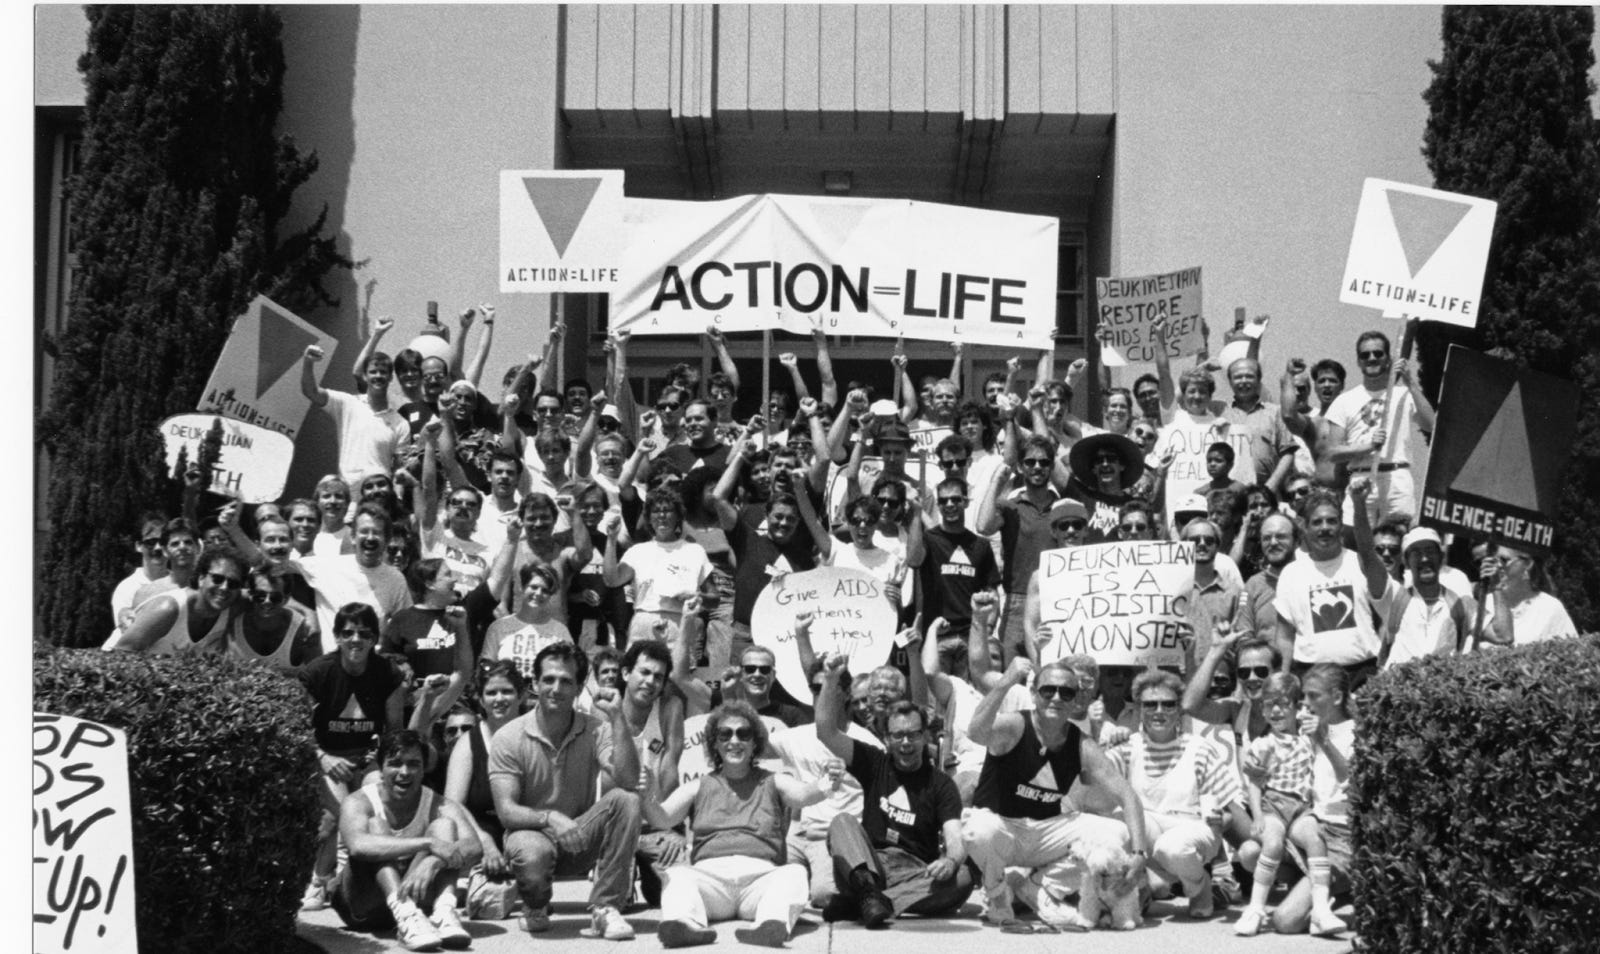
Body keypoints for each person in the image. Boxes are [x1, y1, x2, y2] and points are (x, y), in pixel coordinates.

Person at [961, 658, 1150, 929]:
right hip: (1003, 829)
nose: (1056, 698)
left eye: (1066, 692)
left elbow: (1126, 795)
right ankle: (997, 894)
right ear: (1034, 694)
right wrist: (1006, 681)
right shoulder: (1015, 725)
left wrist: (1140, 855)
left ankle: (1039, 888)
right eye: (1048, 690)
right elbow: (976, 733)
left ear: (1076, 701)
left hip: (1046, 833)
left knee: (1114, 833)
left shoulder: (1082, 745)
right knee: (977, 828)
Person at [639, 701, 828, 949]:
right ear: (715, 743)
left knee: (794, 874)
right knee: (677, 876)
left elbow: (804, 795)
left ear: (755, 743)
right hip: (711, 880)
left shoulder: (774, 781)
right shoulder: (699, 786)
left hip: (761, 880)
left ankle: (770, 925)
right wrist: (647, 797)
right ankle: (685, 926)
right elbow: (662, 818)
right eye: (725, 734)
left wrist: (828, 782)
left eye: (744, 734)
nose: (734, 740)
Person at [488, 641, 643, 940]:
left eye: (565, 681)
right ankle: (536, 905)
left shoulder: (596, 728)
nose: (556, 688)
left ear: (579, 686)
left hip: (578, 835)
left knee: (627, 800)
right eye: (548, 679)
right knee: (532, 853)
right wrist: (550, 819)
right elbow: (506, 812)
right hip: (531, 836)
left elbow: (627, 779)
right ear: (534, 683)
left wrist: (617, 717)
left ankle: (605, 908)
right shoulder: (508, 737)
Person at [814, 656, 973, 926]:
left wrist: (950, 860)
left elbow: (954, 836)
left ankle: (867, 903)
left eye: (913, 734)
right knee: (842, 822)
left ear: (925, 736)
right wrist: (830, 681)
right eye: (898, 735)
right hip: (867, 863)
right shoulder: (874, 762)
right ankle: (869, 892)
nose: (906, 742)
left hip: (915, 872)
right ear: (887, 739)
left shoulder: (941, 784)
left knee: (965, 876)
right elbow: (826, 731)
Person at [300, 603, 432, 912]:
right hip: (327, 755)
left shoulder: (388, 672)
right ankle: (320, 880)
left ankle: (371, 874)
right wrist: (322, 757)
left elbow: (394, 729)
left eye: (364, 633)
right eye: (347, 633)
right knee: (337, 812)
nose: (355, 640)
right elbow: (296, 727)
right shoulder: (318, 672)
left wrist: (381, 757)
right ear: (337, 637)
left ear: (374, 638)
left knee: (380, 801)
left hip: (367, 756)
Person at [1101, 669, 1248, 920]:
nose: (1159, 711)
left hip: (1191, 833)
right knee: (1113, 822)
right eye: (1150, 704)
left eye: (1168, 704)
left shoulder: (1199, 749)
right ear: (1138, 708)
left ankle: (1199, 887)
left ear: (1179, 709)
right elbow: (1091, 786)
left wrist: (1218, 821)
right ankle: (1143, 885)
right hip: (1148, 834)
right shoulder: (1127, 747)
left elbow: (1227, 814)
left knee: (1173, 847)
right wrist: (1101, 742)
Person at [332, 728, 481, 951]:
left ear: (423, 770)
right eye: (395, 763)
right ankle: (403, 911)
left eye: (413, 764)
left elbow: (474, 847)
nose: (405, 772)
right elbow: (358, 846)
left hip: (420, 905)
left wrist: (435, 861)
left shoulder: (439, 803)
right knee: (376, 825)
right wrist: (428, 844)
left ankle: (444, 913)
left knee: (444, 826)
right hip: (363, 904)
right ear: (381, 769)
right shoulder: (359, 801)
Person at [1233, 673, 1347, 937]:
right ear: (1261, 710)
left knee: (1316, 840)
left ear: (1298, 708)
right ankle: (1255, 908)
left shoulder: (1310, 739)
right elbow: (1255, 783)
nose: (1275, 710)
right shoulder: (1264, 744)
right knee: (1271, 844)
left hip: (1301, 808)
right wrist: (1258, 815)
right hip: (1274, 805)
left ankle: (1320, 909)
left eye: (1283, 704)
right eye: (1269, 704)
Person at [1273, 481, 1394, 687]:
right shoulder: (1291, 574)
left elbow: (1367, 547)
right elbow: (1284, 638)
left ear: (1340, 525)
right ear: (1304, 526)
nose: (1325, 528)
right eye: (1317, 522)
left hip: (1363, 674)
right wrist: (1284, 682)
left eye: (1331, 521)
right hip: (1311, 675)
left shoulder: (1360, 563)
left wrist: (1359, 504)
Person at [1267, 664, 1356, 936]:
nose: (1306, 703)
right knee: (1251, 853)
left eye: (1314, 696)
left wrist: (1324, 741)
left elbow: (1353, 783)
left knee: (1285, 921)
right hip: (1313, 828)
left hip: (1342, 836)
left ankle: (1348, 905)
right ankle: (1328, 892)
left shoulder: (1357, 731)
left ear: (1337, 698)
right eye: (1304, 696)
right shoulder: (1306, 730)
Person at [1323, 331, 1435, 525]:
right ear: (1358, 361)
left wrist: (1410, 382)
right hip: (1361, 478)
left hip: (1397, 478)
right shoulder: (1344, 401)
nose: (1372, 358)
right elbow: (1333, 452)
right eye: (1365, 355)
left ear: (1388, 359)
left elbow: (1431, 424)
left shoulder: (1404, 395)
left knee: (1394, 541)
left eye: (1378, 353)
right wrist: (1368, 446)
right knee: (1356, 542)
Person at [615, 640, 689, 907]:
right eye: (644, 672)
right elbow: (601, 780)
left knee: (673, 894)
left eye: (658, 677)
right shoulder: (605, 710)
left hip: (654, 822)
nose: (650, 682)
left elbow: (670, 771)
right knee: (615, 902)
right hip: (617, 825)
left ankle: (648, 869)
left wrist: (674, 829)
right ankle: (624, 867)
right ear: (625, 673)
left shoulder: (670, 708)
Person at [445, 660, 526, 902]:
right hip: (478, 831)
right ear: (481, 699)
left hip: (521, 831)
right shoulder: (468, 743)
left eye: (507, 691)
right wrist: (485, 842)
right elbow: (452, 804)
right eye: (491, 692)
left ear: (521, 696)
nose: (499, 698)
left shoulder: (533, 737)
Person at [604, 487, 712, 647]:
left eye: (667, 510)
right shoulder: (637, 551)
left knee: (679, 671)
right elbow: (611, 580)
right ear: (648, 518)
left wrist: (696, 596)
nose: (662, 516)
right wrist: (611, 539)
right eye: (655, 511)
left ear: (678, 516)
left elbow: (714, 598)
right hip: (644, 622)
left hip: (681, 621)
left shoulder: (695, 551)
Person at [907, 477, 1000, 646]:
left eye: (955, 499)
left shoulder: (981, 545)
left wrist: (988, 629)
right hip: (936, 634)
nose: (949, 505)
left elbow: (992, 591)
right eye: (943, 501)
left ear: (965, 502)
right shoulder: (929, 539)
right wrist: (916, 513)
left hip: (972, 635)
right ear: (939, 505)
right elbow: (913, 560)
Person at [302, 343, 409, 490]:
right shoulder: (347, 404)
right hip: (347, 496)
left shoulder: (400, 423)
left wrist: (398, 498)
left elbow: (399, 469)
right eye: (373, 372)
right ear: (365, 376)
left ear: (391, 377)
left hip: (380, 495)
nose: (378, 376)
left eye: (383, 372)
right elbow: (311, 391)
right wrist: (308, 362)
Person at [113, 545, 248, 655]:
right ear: (201, 578)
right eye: (217, 579)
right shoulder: (168, 608)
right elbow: (120, 655)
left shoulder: (233, 606)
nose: (224, 588)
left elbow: (266, 583)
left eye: (233, 583)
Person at [1380, 527, 1475, 666]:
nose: (1424, 558)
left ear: (1441, 557)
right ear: (1406, 561)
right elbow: (1369, 561)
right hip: (1397, 683)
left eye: (1430, 551)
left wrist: (1497, 587)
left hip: (1441, 684)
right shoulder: (1396, 596)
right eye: (1416, 553)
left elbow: (1502, 635)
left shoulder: (1459, 601)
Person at [482, 563, 575, 681]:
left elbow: (570, 669)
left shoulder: (560, 632)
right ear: (522, 587)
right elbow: (486, 666)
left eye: (545, 590)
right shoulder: (499, 627)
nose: (538, 593)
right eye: (534, 587)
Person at [1476, 544, 1577, 647]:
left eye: (1504, 560)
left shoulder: (1550, 608)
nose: (1498, 566)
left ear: (1528, 564)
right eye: (1495, 560)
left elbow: (1572, 651)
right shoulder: (1486, 603)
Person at [225, 563, 318, 670]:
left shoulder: (302, 631)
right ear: (250, 595)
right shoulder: (233, 622)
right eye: (260, 595)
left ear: (286, 599)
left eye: (275, 597)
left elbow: (314, 675)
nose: (267, 601)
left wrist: (309, 613)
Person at [1066, 433, 1148, 543]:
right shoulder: (1083, 496)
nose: (1105, 464)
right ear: (1094, 469)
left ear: (1122, 466)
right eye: (1099, 460)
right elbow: (1051, 462)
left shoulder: (1135, 506)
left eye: (1111, 459)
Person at [110, 512, 169, 635]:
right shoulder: (127, 589)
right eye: (150, 542)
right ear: (138, 546)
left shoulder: (182, 583)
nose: (158, 548)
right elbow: (128, 634)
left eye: (162, 541)